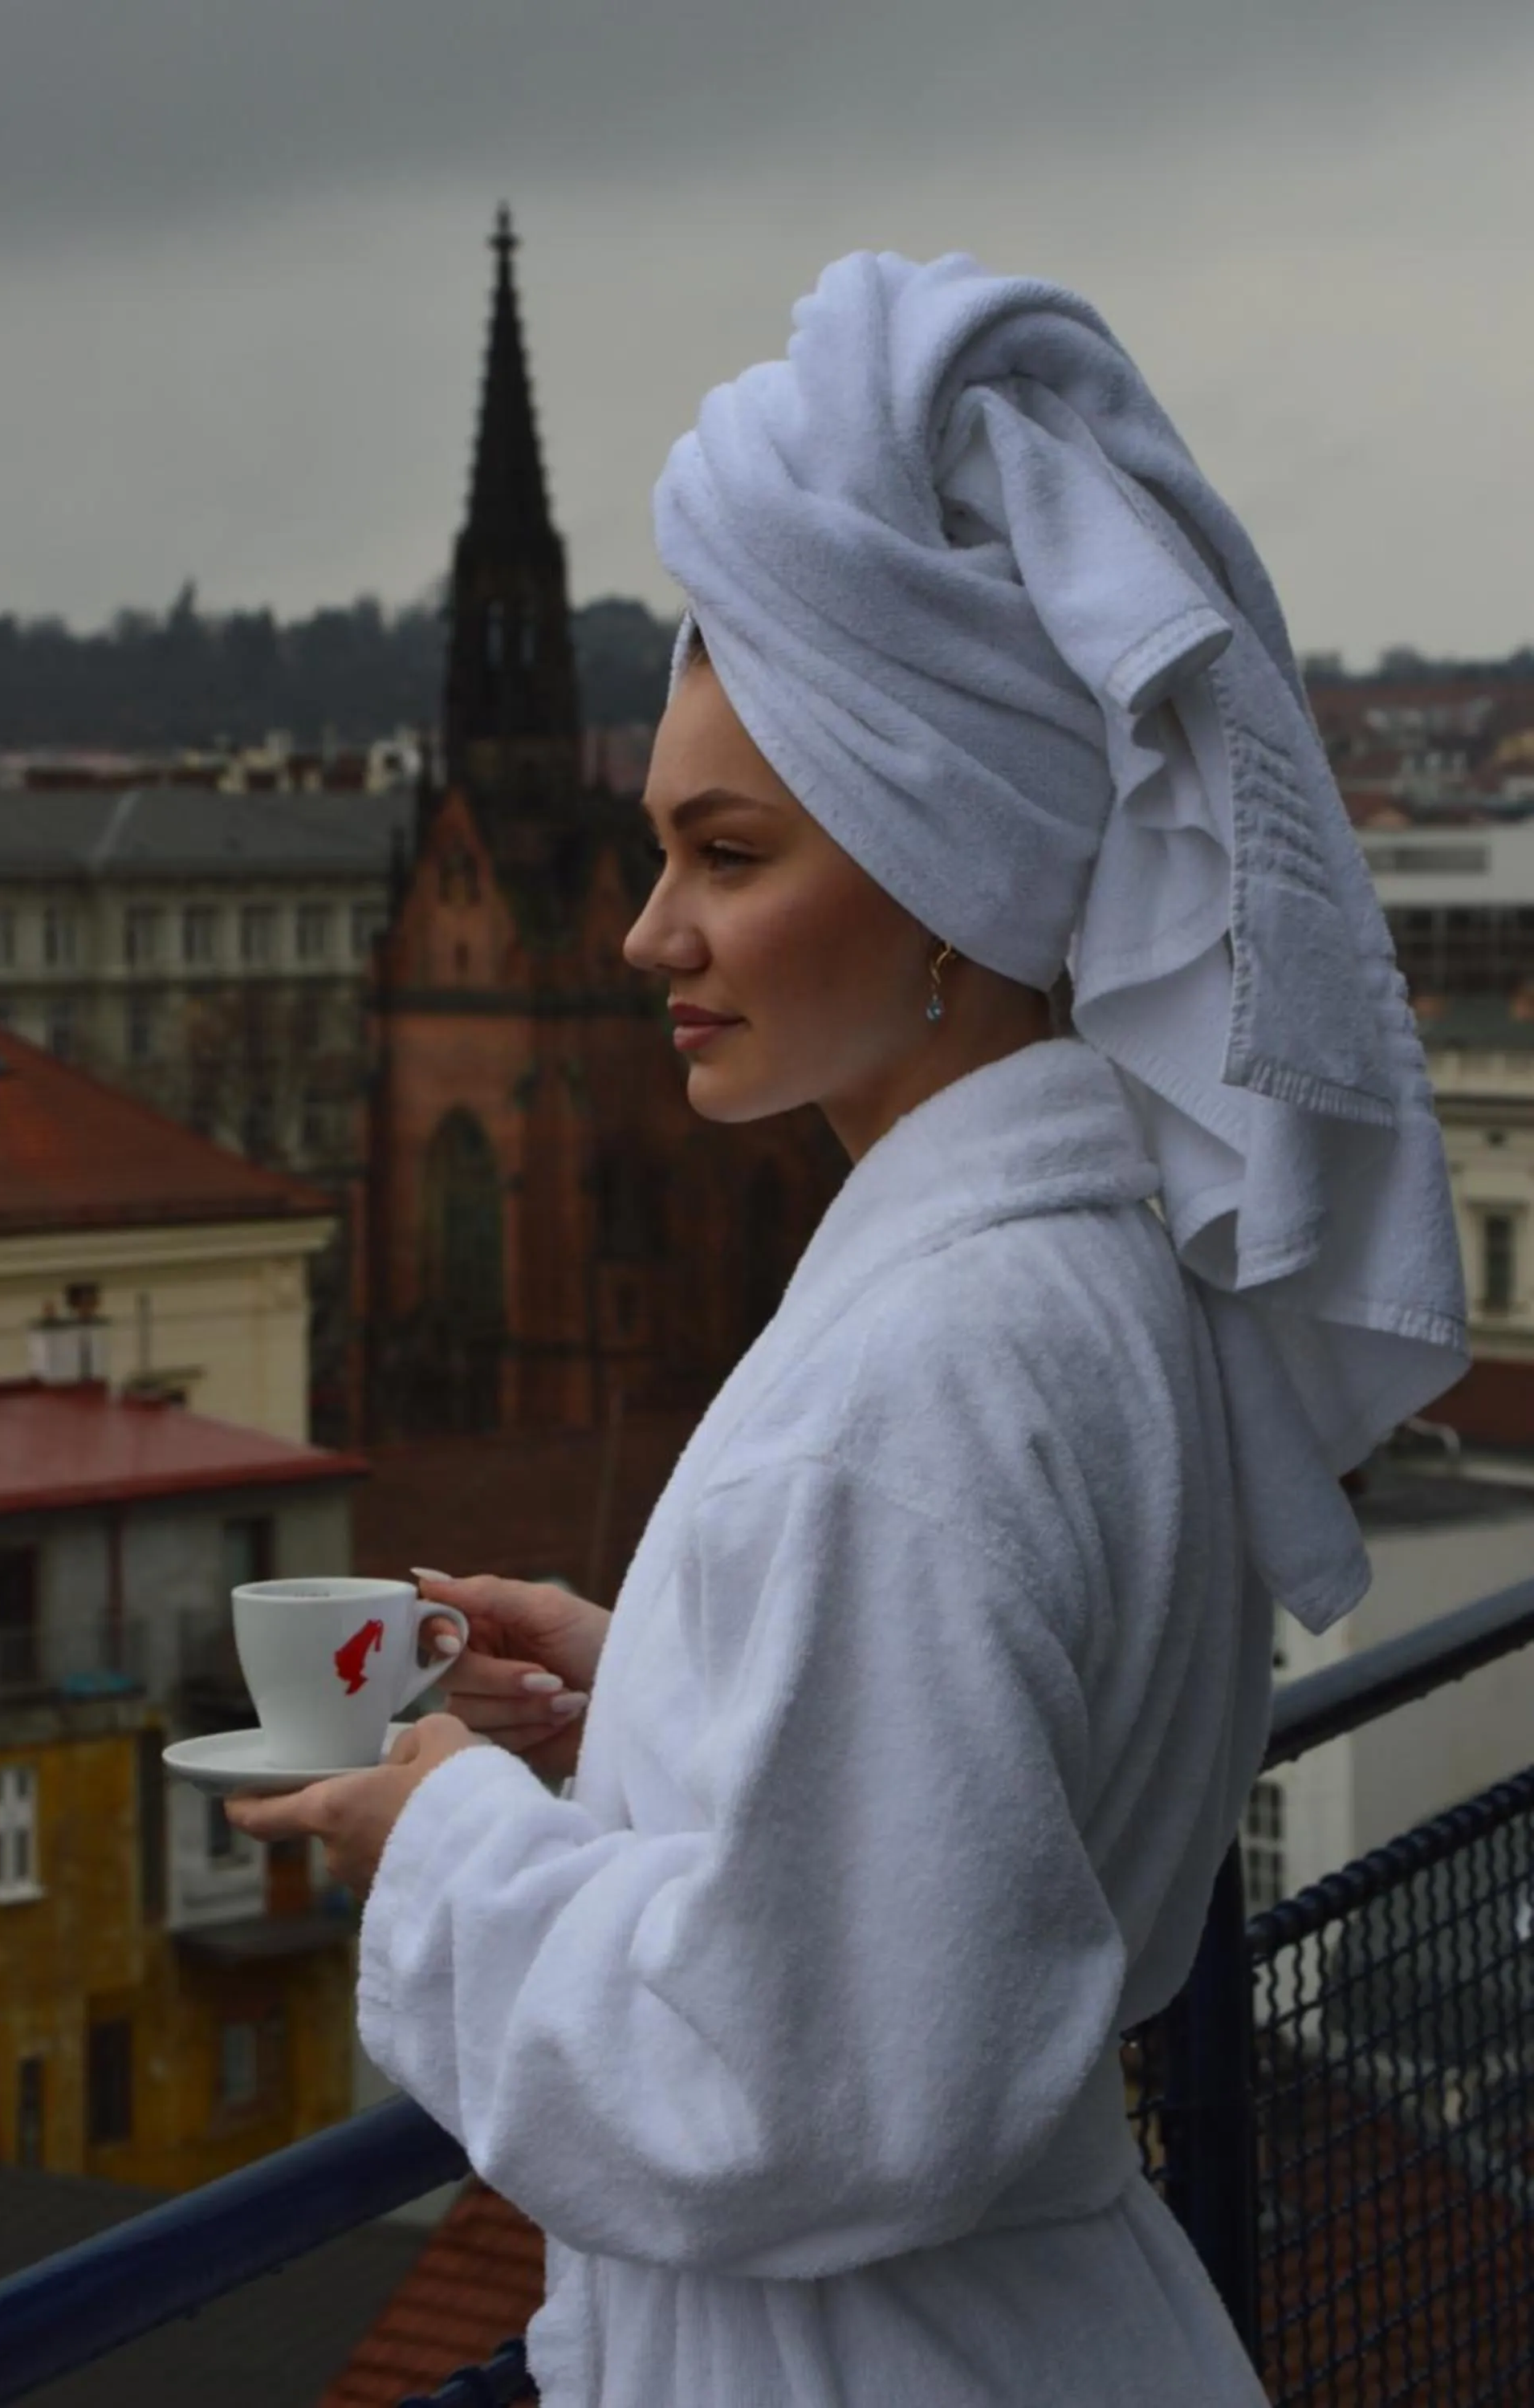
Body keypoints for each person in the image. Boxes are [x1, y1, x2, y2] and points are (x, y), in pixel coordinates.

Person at [228, 250, 1467, 2405]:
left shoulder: (917, 1381)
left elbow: (791, 2084)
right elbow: (973, 1815)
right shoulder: (1095, 1270)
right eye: (657, 851)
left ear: (946, 870)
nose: (647, 934)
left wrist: (434, 1832)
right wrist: (657, 1686)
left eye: (728, 855)